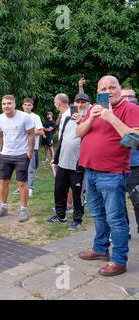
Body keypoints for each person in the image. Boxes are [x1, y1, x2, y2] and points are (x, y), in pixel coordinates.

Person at [76, 76, 139, 277]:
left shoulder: (131, 110)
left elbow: (134, 142)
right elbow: (79, 132)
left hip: (112, 174)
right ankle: (100, 249)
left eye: (112, 87)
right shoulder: (94, 107)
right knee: (97, 214)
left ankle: (119, 260)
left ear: (120, 89)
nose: (108, 91)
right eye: (103, 88)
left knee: (116, 219)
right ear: (98, 90)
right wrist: (93, 117)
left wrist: (111, 117)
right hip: (90, 171)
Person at [46, 93, 89, 230]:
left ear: (88, 104)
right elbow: (63, 137)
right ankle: (60, 216)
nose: (80, 105)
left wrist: (83, 120)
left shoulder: (90, 118)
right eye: (77, 102)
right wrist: (56, 157)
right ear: (74, 103)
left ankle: (77, 219)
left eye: (83, 102)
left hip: (78, 163)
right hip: (63, 161)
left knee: (77, 193)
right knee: (59, 189)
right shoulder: (68, 117)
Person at [0, 95, 34, 222]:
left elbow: (31, 134)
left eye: (9, 103)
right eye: (4, 104)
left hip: (21, 155)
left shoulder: (24, 117)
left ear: (14, 104)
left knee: (22, 183)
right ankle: (3, 207)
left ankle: (23, 210)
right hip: (6, 155)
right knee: (3, 181)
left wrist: (30, 151)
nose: (6, 106)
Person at [122, 88, 139, 234]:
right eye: (124, 97)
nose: (127, 99)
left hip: (135, 165)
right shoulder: (115, 114)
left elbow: (132, 141)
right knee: (117, 203)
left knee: (137, 200)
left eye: (130, 96)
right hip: (117, 166)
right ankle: (123, 230)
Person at [21, 98, 43, 197]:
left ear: (32, 106)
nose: (27, 106)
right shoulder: (19, 116)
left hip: (32, 147)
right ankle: (21, 187)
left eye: (29, 105)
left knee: (31, 168)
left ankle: (30, 188)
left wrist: (28, 133)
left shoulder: (35, 117)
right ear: (22, 106)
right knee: (21, 168)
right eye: (25, 105)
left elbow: (40, 131)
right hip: (20, 147)